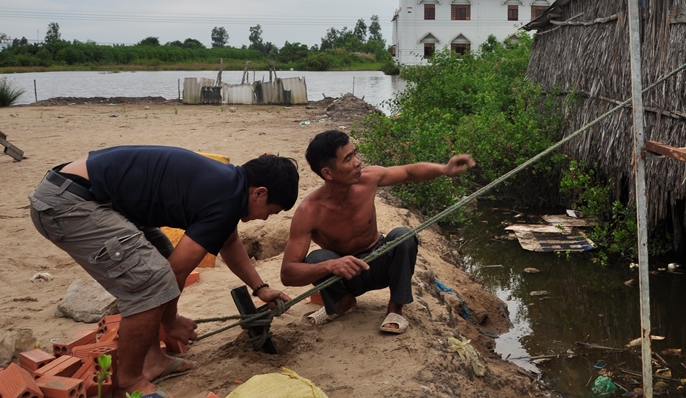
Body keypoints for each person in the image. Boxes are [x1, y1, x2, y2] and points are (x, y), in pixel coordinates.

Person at [29, 146, 299, 398]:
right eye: (271, 212)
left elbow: (229, 242)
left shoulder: (228, 184)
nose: (265, 219)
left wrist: (260, 287)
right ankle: (131, 379)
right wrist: (170, 323)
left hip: (80, 193)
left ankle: (153, 360)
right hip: (67, 204)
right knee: (154, 279)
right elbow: (176, 271)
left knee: (157, 260)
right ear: (260, 193)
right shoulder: (227, 199)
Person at [281, 130, 474, 333]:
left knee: (403, 236)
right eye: (348, 159)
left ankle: (395, 309)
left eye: (355, 154)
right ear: (327, 173)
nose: (357, 162)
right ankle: (342, 303)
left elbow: (409, 171)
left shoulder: (368, 179)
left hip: (380, 263)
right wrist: (331, 265)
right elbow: (288, 273)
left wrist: (444, 169)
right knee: (316, 258)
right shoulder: (309, 211)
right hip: (347, 276)